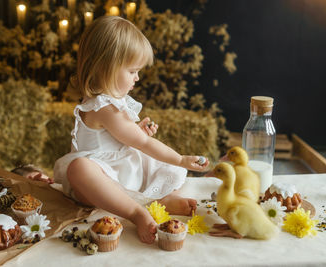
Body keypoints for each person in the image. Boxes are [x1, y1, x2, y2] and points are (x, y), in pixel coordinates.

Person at [53, 16, 209, 245]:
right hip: (102, 180)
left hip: (123, 171)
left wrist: (136, 131)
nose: (137, 78)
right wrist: (180, 159)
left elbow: (122, 138)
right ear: (105, 67)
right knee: (79, 169)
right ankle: (137, 212)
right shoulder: (104, 106)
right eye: (132, 71)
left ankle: (159, 201)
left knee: (133, 159)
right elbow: (142, 143)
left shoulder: (109, 102)